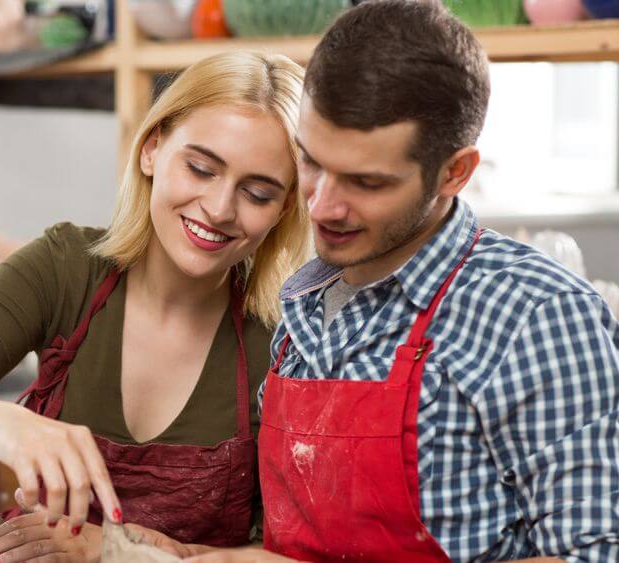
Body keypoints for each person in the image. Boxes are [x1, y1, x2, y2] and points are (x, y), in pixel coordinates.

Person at [179, 1, 619, 562]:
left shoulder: (537, 315)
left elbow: (595, 552)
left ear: (454, 172)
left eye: (367, 181)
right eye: (312, 162)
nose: (321, 205)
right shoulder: (304, 301)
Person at [0, 50, 310, 562]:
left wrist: (124, 550)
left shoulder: (287, 337)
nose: (220, 208)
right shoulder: (65, 268)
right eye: (201, 168)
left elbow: (292, 554)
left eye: (257, 192)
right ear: (151, 149)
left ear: (284, 209)